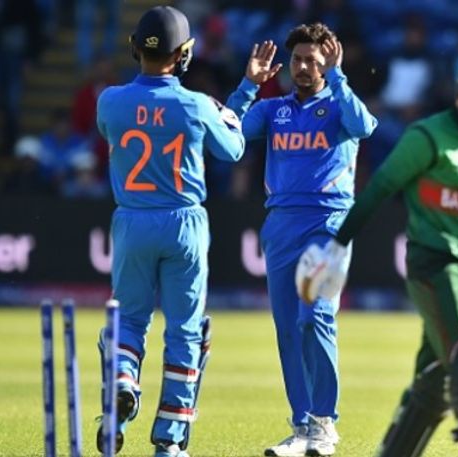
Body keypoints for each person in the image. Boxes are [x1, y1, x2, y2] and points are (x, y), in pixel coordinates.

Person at [296, 47, 458, 457]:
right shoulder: (427, 138)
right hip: (436, 267)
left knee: (435, 380)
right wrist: (337, 246)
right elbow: (379, 189)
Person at [95, 6, 245, 457]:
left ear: (135, 48)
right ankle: (170, 441)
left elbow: (116, 130)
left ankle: (123, 381)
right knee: (185, 331)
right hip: (184, 224)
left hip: (132, 220)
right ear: (184, 56)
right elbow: (234, 150)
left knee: (129, 322)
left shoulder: (109, 100)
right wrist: (242, 97)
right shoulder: (197, 105)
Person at [225, 22, 377, 457]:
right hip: (281, 224)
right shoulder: (275, 110)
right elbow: (228, 136)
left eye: (314, 60)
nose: (305, 67)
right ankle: (303, 425)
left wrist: (341, 76)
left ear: (327, 63)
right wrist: (248, 85)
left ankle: (324, 423)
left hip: (328, 221)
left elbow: (364, 127)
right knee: (289, 328)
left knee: (316, 315)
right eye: (299, 60)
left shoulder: (339, 103)